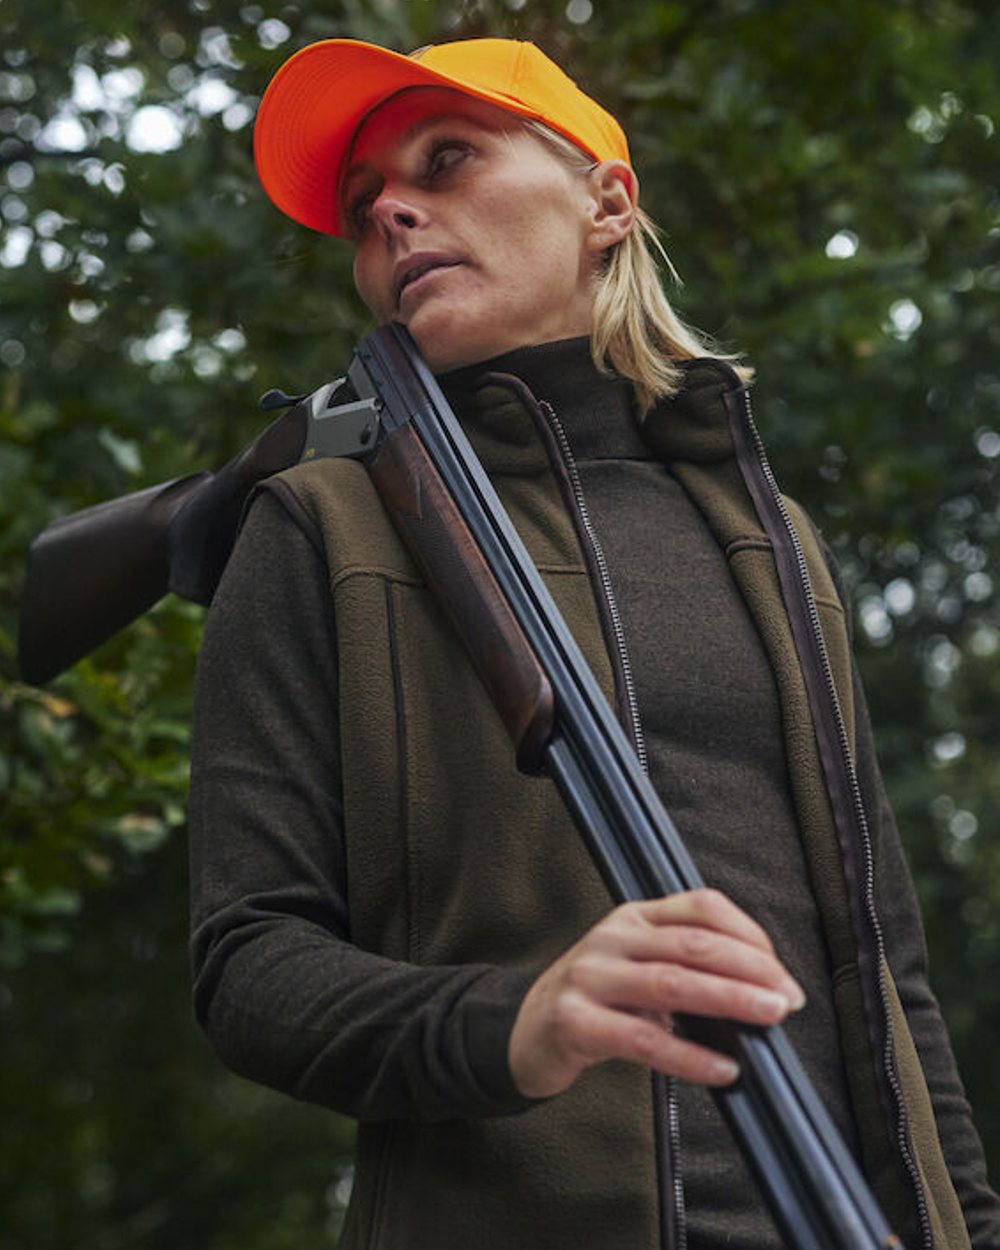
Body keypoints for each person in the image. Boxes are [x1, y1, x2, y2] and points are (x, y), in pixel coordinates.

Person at [187, 37, 1000, 1250]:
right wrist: (519, 1021)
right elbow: (248, 965)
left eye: (447, 157)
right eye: (365, 210)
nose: (394, 212)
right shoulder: (319, 527)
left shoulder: (772, 537)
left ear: (605, 202)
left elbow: (888, 973)